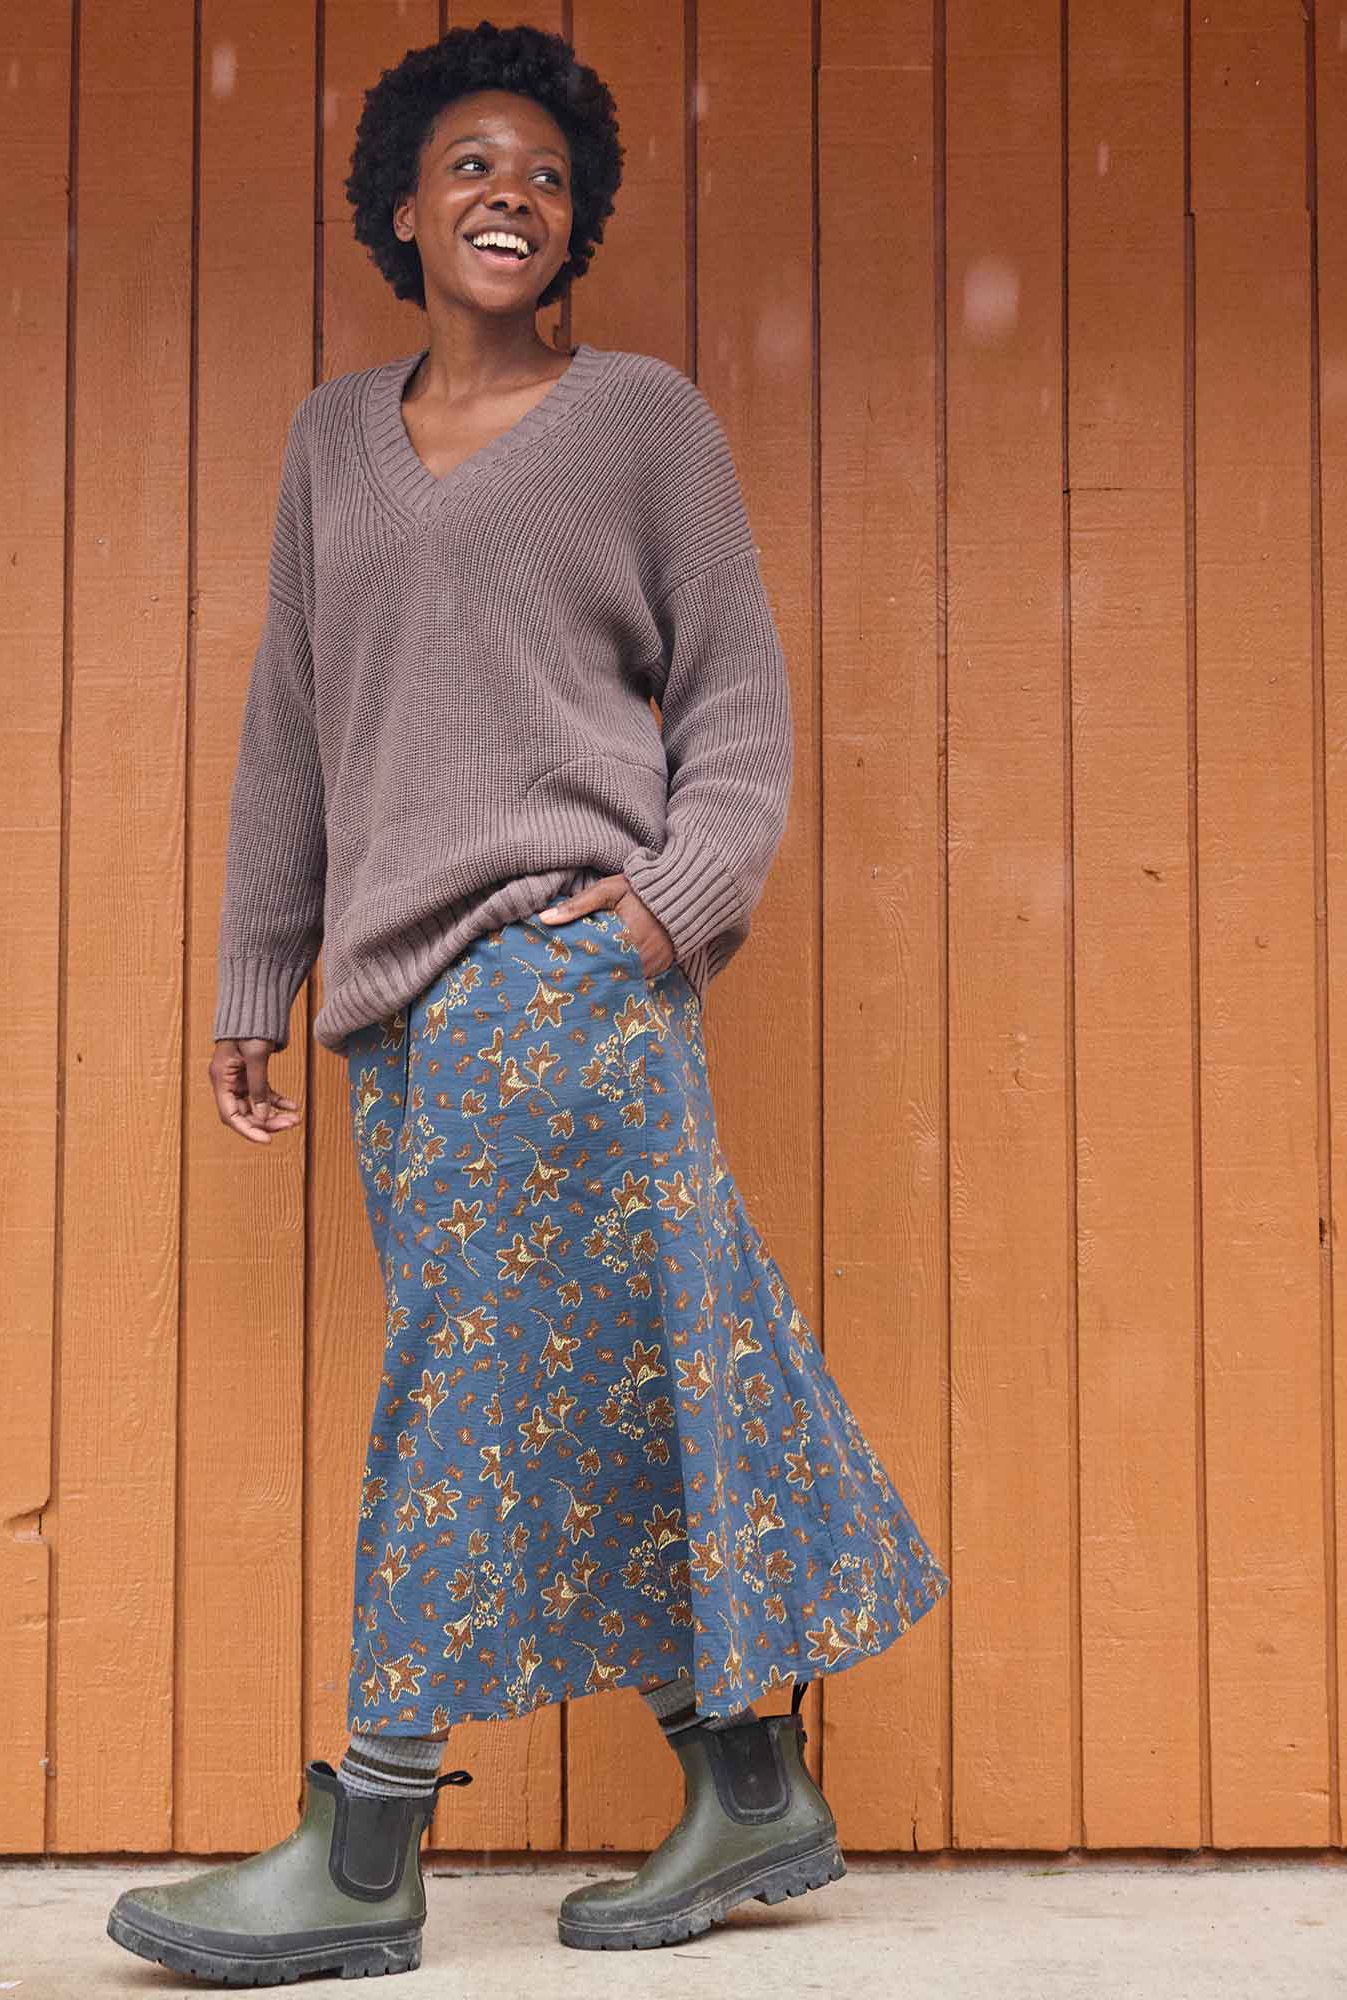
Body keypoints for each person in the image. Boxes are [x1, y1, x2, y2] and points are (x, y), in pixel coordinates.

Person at [107, 18, 948, 1986]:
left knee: (461, 1386)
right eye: (472, 166)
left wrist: (662, 913)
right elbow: (295, 728)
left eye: (549, 177)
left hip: (564, 984)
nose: (513, 194)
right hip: (400, 1014)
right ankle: (749, 1783)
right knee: (601, 1377)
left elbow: (738, 704)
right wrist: (258, 970)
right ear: (402, 208)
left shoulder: (643, 420)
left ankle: (370, 1837)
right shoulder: (333, 440)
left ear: (578, 228)